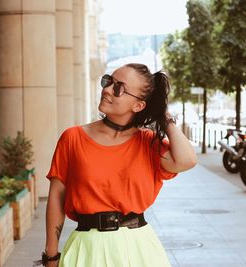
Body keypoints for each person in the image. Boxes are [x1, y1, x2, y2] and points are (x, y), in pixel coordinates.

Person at [41, 63, 197, 267]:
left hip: (137, 248)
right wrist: (51, 254)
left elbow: (187, 160)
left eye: (119, 88)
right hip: (86, 248)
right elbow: (56, 197)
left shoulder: (148, 143)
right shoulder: (72, 138)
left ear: (138, 105)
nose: (106, 90)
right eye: (108, 81)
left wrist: (165, 118)